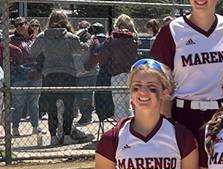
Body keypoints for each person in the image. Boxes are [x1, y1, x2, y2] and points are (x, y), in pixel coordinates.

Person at [151, 0, 223, 145]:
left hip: (222, 114)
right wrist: (166, 120)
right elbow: (161, 81)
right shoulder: (172, 30)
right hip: (184, 113)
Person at [29, 10, 93, 146]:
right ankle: (67, 135)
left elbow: (32, 51)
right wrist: (87, 43)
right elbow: (79, 50)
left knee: (51, 106)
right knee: (69, 106)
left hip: (49, 74)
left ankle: (53, 136)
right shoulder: (70, 36)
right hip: (68, 74)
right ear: (66, 21)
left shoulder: (42, 36)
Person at [85, 15, 142, 122]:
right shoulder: (133, 39)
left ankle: (122, 131)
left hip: (117, 74)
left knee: (119, 105)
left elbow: (102, 56)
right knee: (128, 104)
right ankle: (130, 127)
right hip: (131, 74)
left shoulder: (113, 39)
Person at [10, 17, 43, 137]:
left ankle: (35, 127)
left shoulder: (35, 38)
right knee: (18, 103)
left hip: (35, 74)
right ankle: (15, 128)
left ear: (27, 24)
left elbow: (40, 55)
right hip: (19, 75)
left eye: (21, 24)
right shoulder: (12, 40)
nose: (19, 27)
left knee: (34, 102)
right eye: (16, 25)